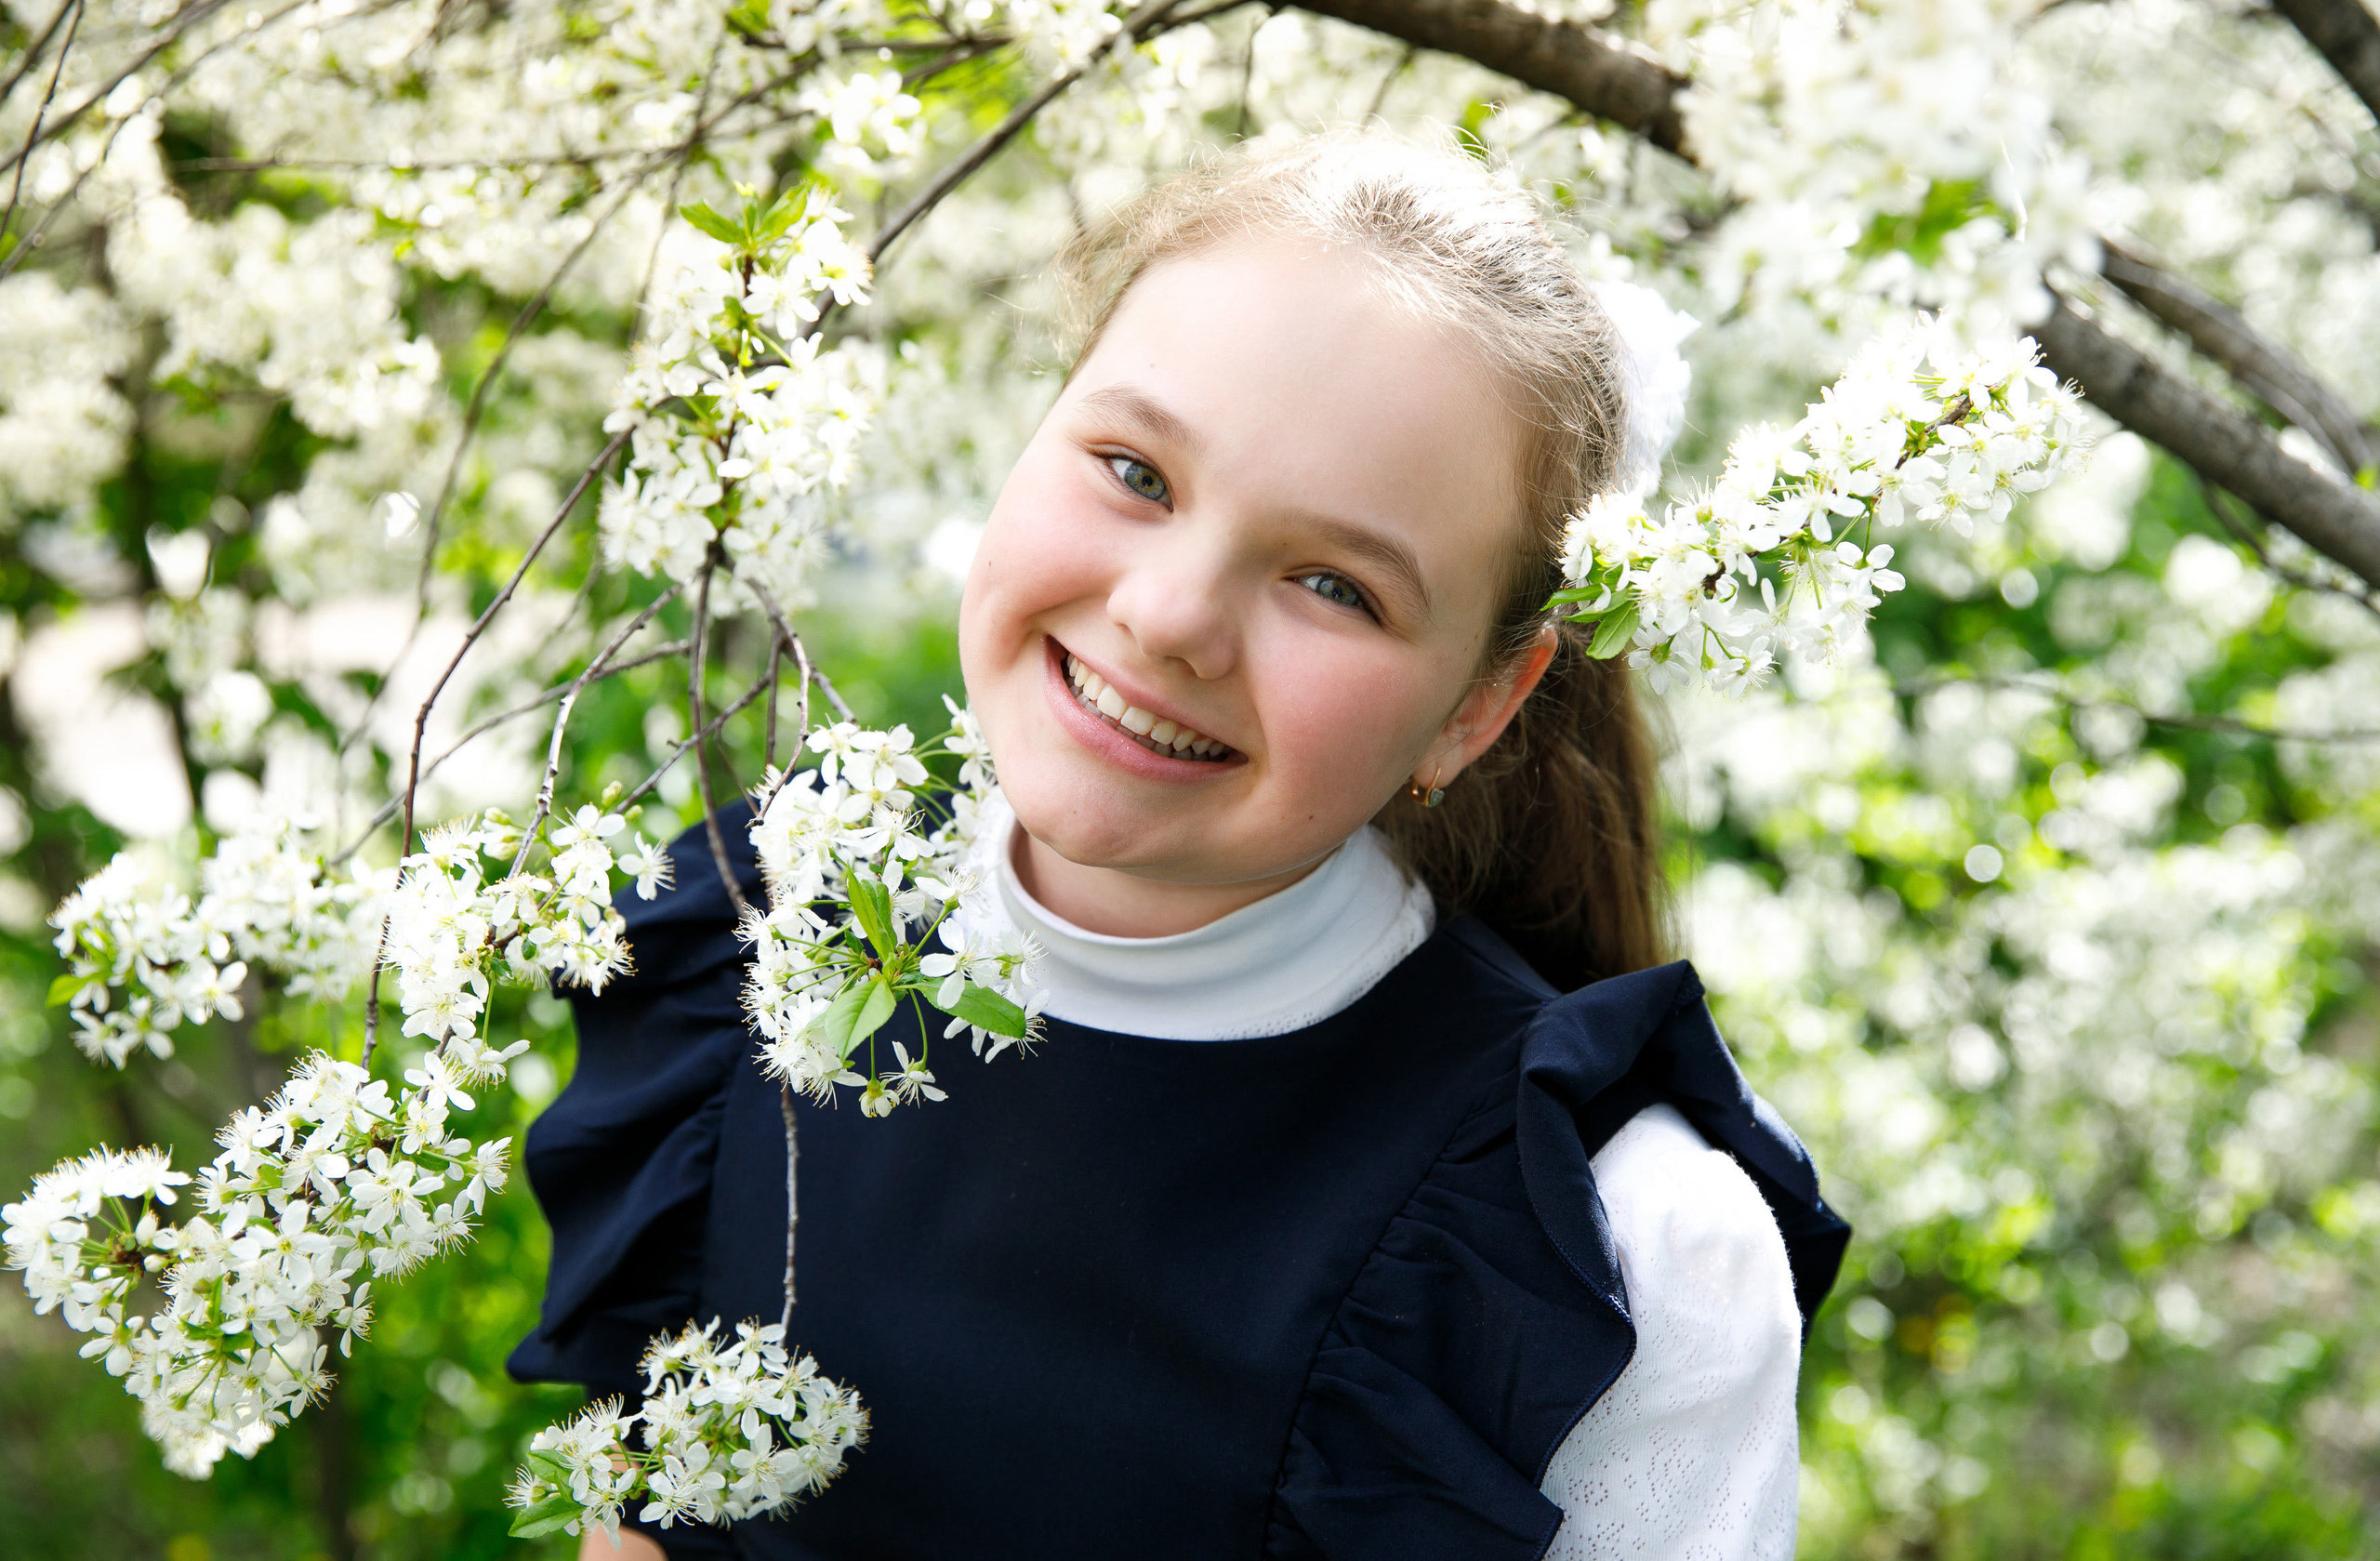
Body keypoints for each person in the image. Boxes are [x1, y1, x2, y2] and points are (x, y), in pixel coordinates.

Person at [509, 130, 1848, 1561]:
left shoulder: (1614, 1260)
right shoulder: (753, 948)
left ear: (1477, 708)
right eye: (1135, 472)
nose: (1168, 616)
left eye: (1336, 585)